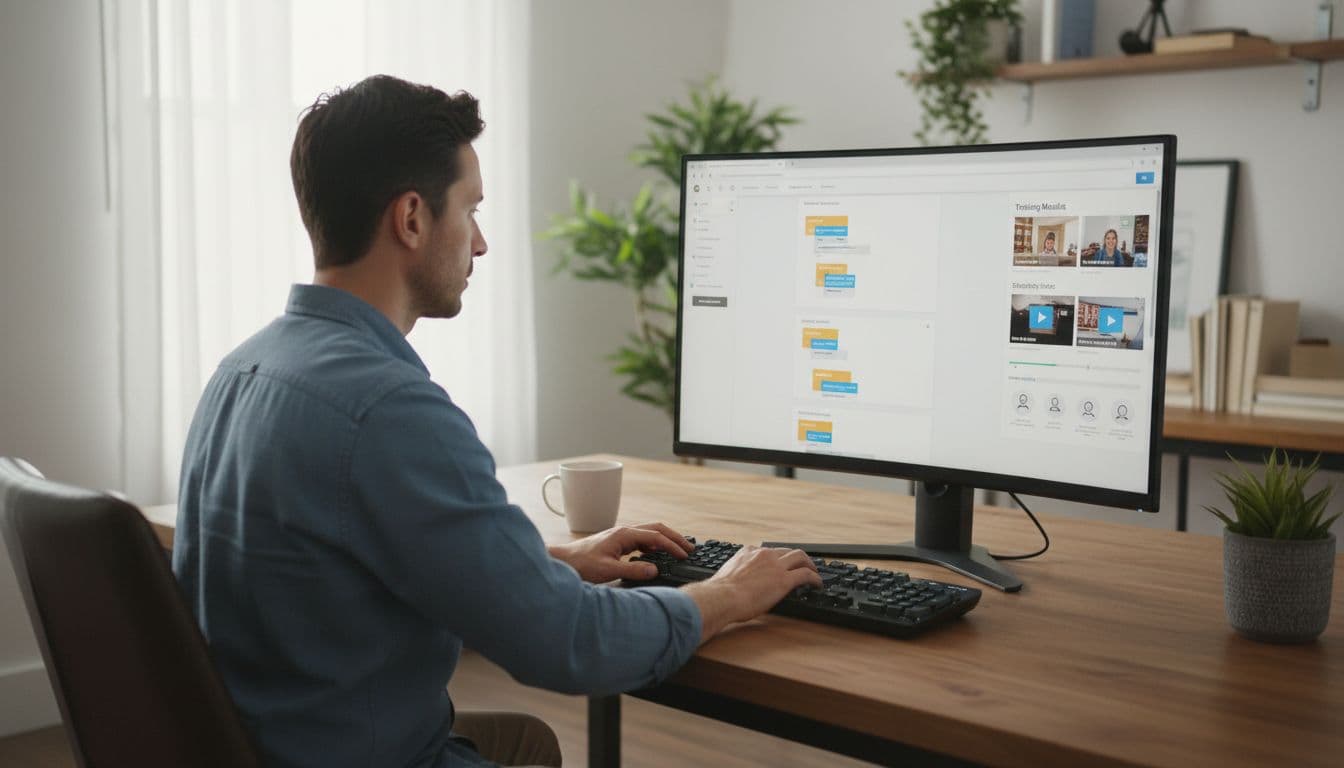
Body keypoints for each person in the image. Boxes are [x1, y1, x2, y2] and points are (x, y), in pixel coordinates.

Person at [172, 75, 822, 768]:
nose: (480, 243)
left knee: (528, 743)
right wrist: (727, 594)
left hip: (267, 743)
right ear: (412, 218)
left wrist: (550, 564)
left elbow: (345, 567)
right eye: (471, 209)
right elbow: (570, 644)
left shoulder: (243, 370)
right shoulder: (388, 409)